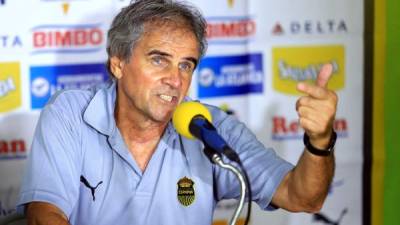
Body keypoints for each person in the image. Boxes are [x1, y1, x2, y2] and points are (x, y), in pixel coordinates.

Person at [17, 0, 338, 224]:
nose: (175, 79)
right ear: (118, 63)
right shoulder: (71, 114)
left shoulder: (209, 128)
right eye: (159, 60)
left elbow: (303, 197)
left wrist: (320, 139)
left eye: (186, 64)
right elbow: (44, 215)